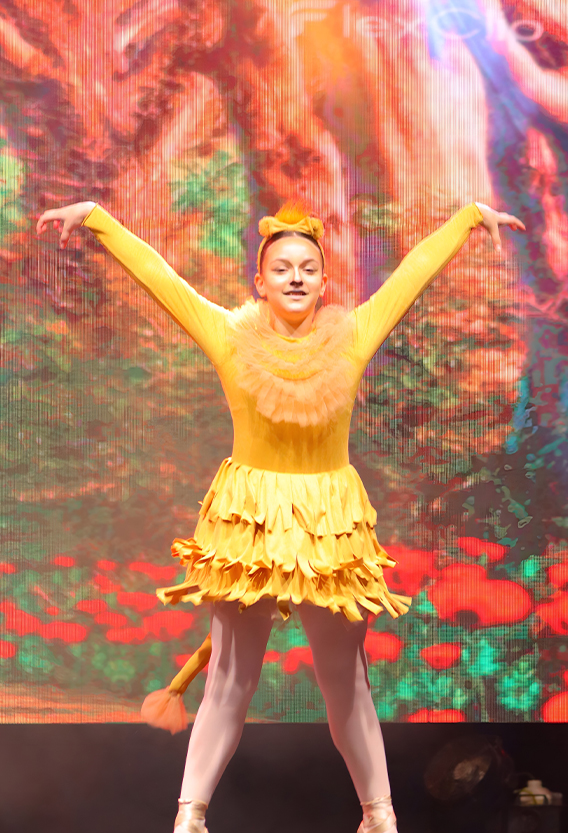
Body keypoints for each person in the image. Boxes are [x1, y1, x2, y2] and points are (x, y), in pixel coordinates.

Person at [36, 197, 524, 833]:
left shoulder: (353, 334)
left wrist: (469, 218)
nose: (296, 277)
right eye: (282, 268)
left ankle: (379, 816)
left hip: (330, 524)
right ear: (259, 282)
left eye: (308, 268)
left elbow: (412, 274)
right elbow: (161, 278)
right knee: (229, 680)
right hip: (250, 521)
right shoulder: (229, 335)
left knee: (346, 682)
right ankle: (189, 817)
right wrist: (97, 218)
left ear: (324, 284)